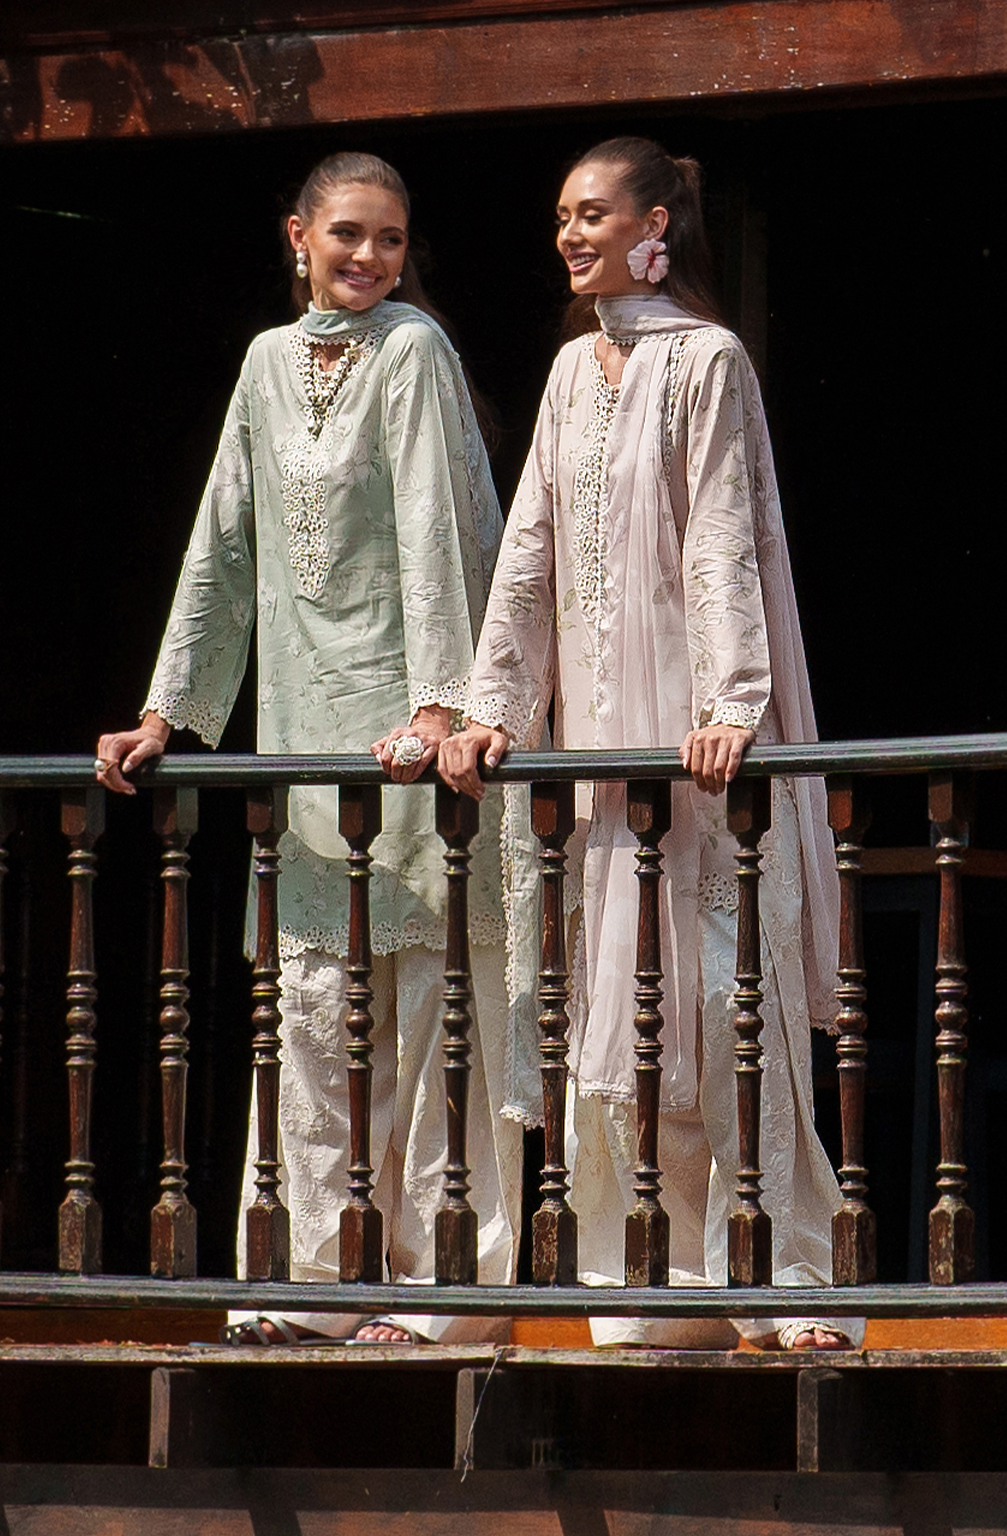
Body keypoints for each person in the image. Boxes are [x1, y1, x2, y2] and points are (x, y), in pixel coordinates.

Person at [440, 136, 861, 1350]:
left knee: (724, 992)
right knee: (624, 1006)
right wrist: (492, 708)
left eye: (591, 213)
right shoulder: (572, 371)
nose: (570, 235)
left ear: (655, 226)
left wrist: (732, 705)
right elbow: (531, 550)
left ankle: (784, 1275)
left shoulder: (708, 359)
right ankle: (657, 1275)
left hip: (691, 734)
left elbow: (722, 532)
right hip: (601, 739)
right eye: (561, 217)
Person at [95, 151, 519, 1345]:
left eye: (390, 239)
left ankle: (437, 1296)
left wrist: (439, 704)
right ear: (298, 235)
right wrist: (166, 714)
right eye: (347, 234)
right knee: (315, 1008)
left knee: (426, 1002)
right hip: (301, 730)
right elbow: (223, 541)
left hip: (407, 735)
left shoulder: (414, 350)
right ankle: (307, 1282)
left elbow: (437, 521)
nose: (368, 258)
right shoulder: (264, 364)